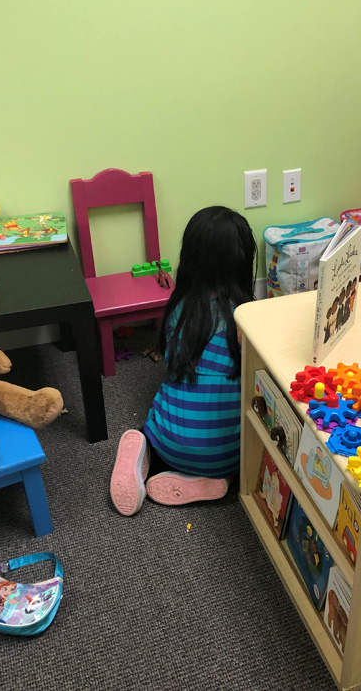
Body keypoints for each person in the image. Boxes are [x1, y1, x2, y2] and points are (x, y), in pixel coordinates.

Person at [110, 206, 258, 516]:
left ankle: (143, 451)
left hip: (167, 443)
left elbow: (172, 367)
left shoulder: (178, 308)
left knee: (166, 407)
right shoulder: (248, 319)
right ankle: (218, 478)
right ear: (242, 261)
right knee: (243, 435)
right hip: (224, 456)